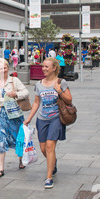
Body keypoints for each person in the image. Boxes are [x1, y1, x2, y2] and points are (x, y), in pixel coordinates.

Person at [24, 58, 72, 189]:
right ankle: (53, 161)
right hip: (42, 119)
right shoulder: (39, 84)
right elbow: (36, 103)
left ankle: (49, 177)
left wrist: (59, 90)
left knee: (50, 146)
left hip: (56, 118)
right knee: (44, 149)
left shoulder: (61, 82)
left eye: (46, 67)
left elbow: (69, 99)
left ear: (54, 68)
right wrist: (29, 118)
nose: (44, 69)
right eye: (43, 66)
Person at [0, 58, 30, 178]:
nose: (3, 70)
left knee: (18, 138)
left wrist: (15, 94)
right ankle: (0, 169)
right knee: (0, 141)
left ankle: (21, 160)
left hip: (15, 116)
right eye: (1, 68)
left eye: (5, 67)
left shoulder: (14, 80)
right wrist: (6, 101)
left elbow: (26, 93)